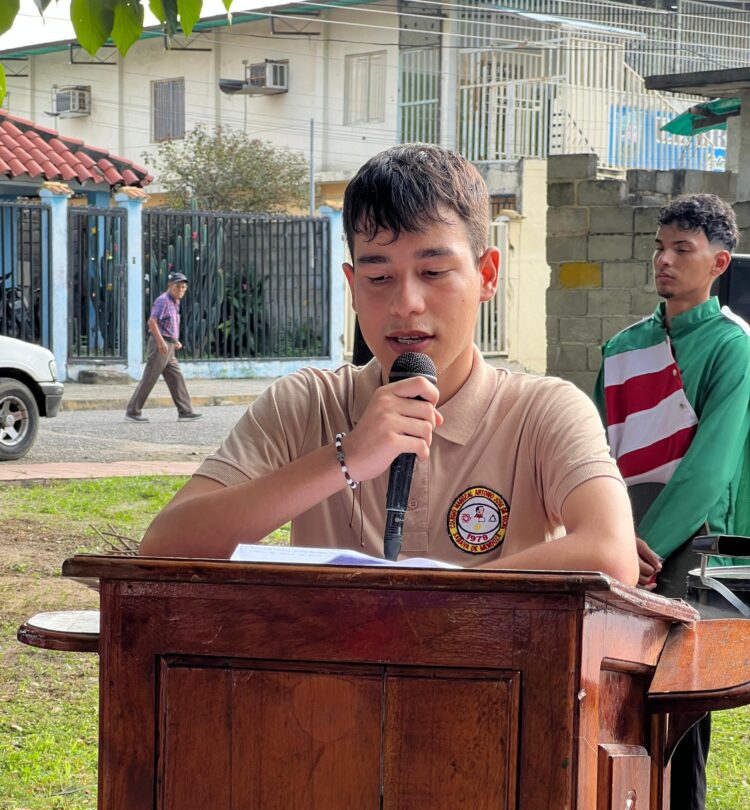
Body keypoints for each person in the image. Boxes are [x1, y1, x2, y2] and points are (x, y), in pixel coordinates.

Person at [139, 144, 637, 590]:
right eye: (378, 276)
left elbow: (610, 554)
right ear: (353, 286)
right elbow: (164, 545)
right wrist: (346, 458)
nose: (406, 304)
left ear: (486, 275)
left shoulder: (543, 412)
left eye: (434, 272)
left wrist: (419, 608)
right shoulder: (307, 403)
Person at [593, 193, 750, 810]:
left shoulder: (733, 346)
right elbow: (592, 449)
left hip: (680, 547)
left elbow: (711, 465)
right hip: (616, 539)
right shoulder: (623, 346)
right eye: (659, 246)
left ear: (719, 263)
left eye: (682, 249)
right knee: (610, 707)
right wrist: (606, 534)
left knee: (678, 716)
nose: (663, 259)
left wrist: (642, 545)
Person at [125, 271, 202, 422]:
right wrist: (161, 342)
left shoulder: (175, 302)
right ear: (170, 286)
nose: (180, 290)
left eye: (183, 287)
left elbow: (167, 323)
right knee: (149, 378)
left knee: (176, 378)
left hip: (169, 345)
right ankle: (133, 412)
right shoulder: (163, 300)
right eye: (177, 286)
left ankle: (185, 411)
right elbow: (152, 322)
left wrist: (175, 340)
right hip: (161, 346)